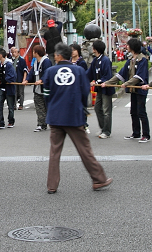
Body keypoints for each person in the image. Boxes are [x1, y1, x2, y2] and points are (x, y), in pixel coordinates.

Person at [44, 43, 112, 194]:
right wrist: (80, 106)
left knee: (54, 151)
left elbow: (46, 93)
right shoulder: (79, 71)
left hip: (55, 116)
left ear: (59, 56)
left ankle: (52, 185)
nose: (54, 56)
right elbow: (84, 91)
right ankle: (99, 179)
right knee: (84, 149)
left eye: (55, 54)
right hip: (73, 116)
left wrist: (52, 107)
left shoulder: (50, 71)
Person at [103, 38, 150, 142]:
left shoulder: (142, 60)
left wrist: (126, 84)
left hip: (140, 89)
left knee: (141, 112)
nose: (126, 47)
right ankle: (136, 133)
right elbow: (121, 74)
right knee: (133, 111)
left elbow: (139, 77)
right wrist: (107, 83)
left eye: (128, 45)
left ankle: (146, 135)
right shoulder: (130, 60)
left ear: (132, 47)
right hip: (133, 90)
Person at [87, 40, 115, 139]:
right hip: (99, 89)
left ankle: (107, 131)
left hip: (106, 88)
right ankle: (103, 128)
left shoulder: (106, 60)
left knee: (107, 110)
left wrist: (97, 82)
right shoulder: (95, 60)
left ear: (95, 49)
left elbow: (107, 76)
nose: (91, 49)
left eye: (92, 47)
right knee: (97, 108)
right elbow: (89, 74)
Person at [0, 48, 16, 129]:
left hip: (9, 88)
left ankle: (11, 121)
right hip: (1, 88)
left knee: (10, 107)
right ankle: (0, 122)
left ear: (1, 55)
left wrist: (3, 81)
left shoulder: (9, 65)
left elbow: (12, 76)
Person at [31, 45, 52, 132]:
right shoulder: (36, 62)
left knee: (47, 106)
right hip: (37, 88)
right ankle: (41, 124)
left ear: (37, 52)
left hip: (45, 88)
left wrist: (41, 80)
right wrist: (26, 80)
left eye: (33, 51)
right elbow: (32, 73)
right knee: (39, 106)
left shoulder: (46, 61)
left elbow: (47, 73)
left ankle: (49, 122)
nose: (32, 53)